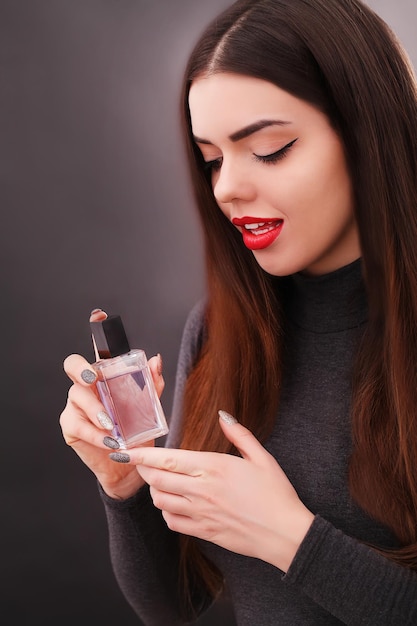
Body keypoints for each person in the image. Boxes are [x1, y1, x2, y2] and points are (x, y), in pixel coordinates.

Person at [59, 0, 417, 623]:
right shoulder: (223, 329)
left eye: (271, 149)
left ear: (367, 133)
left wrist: (291, 539)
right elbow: (176, 604)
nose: (227, 189)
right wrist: (125, 491)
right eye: (213, 160)